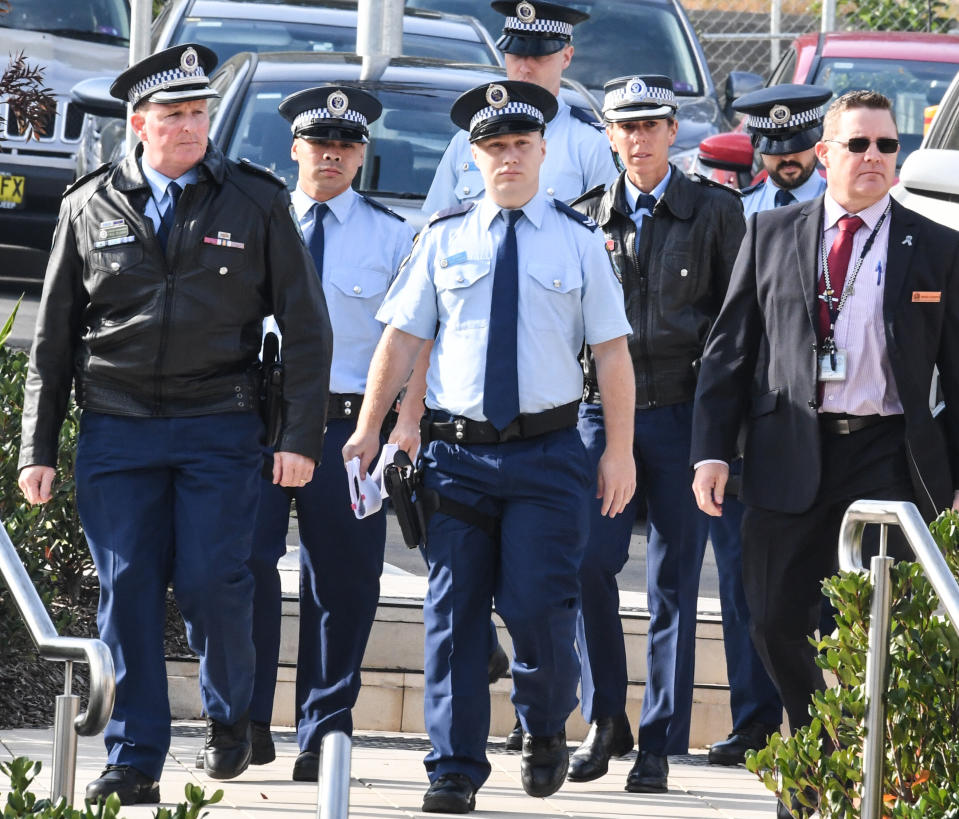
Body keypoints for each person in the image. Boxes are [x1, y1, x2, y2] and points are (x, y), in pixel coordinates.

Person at [17, 44, 333, 805]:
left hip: (219, 424)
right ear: (139, 124)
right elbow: (52, 341)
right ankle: (134, 757)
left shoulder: (254, 202)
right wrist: (37, 446)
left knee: (213, 581)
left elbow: (307, 328)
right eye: (175, 115)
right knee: (125, 590)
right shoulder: (86, 206)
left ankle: (229, 718)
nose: (191, 127)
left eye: (199, 113)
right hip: (117, 430)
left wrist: (296, 438)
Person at [343, 79, 636, 814]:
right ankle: (452, 767)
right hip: (459, 458)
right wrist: (371, 426)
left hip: (546, 457)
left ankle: (542, 725)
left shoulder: (577, 240)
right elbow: (403, 337)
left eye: (519, 145)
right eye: (493, 147)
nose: (507, 158)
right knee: (452, 614)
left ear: (542, 150)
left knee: (538, 608)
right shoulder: (443, 238)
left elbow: (610, 354)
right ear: (473, 157)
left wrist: (619, 450)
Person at [690, 90, 959, 817]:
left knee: (874, 633)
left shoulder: (934, 246)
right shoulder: (771, 234)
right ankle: (818, 753)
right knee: (773, 619)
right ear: (824, 154)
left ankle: (835, 781)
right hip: (788, 452)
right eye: (859, 144)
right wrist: (710, 453)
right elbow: (727, 355)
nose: (874, 158)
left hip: (890, 459)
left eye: (887, 145)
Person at [569, 74, 745, 793]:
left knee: (674, 582)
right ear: (608, 137)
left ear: (674, 132)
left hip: (681, 412)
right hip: (598, 412)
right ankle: (603, 715)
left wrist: (722, 435)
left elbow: (737, 330)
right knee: (585, 561)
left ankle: (657, 741)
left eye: (651, 125)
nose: (638, 139)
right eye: (625, 127)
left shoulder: (712, 211)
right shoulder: (581, 217)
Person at [242, 85, 419, 782]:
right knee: (242, 567)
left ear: (361, 156)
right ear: (295, 149)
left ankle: (324, 728)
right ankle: (246, 716)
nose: (331, 157)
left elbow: (406, 341)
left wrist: (397, 426)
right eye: (319, 144)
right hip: (257, 419)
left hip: (348, 429)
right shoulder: (256, 220)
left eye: (345, 146)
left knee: (342, 584)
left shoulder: (391, 234)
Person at [702, 85, 837, 768]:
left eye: (795, 148)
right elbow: (723, 339)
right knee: (746, 590)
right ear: (755, 146)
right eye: (771, 148)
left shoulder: (840, 214)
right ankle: (754, 721)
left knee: (830, 596)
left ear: (816, 144)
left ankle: (829, 725)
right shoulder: (735, 217)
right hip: (756, 436)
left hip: (828, 433)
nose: (783, 160)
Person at [421, 0, 616, 215]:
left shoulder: (591, 145)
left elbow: (608, 233)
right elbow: (437, 226)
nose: (524, 68)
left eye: (538, 56)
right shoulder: (467, 141)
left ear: (566, 57)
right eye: (516, 55)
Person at [735, 84, 831, 219]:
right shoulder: (740, 209)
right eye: (775, 148)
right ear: (757, 144)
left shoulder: (843, 206)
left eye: (799, 145)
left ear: (818, 141)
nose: (787, 156)